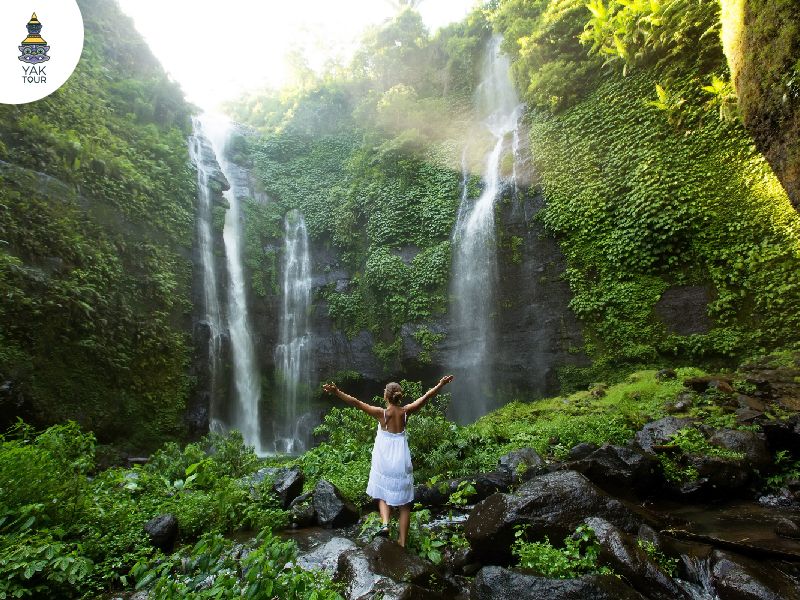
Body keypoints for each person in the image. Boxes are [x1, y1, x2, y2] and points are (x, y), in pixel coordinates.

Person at [322, 375, 454, 547]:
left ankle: (385, 524)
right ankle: (402, 542)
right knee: (405, 505)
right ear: (400, 395)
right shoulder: (406, 412)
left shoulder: (381, 414)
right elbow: (426, 397)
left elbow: (356, 403)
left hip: (384, 459)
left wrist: (337, 392)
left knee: (382, 492)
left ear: (385, 396)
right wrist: (440, 384)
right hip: (401, 459)